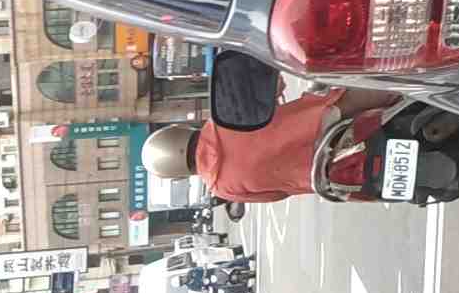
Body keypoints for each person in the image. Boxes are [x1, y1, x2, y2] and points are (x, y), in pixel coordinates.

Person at [141, 86, 399, 206]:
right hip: (321, 119)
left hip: (328, 175)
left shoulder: (223, 188)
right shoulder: (221, 121)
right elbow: (267, 90)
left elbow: (276, 195)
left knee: (372, 191)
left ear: (178, 172)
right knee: (394, 87)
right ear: (179, 132)